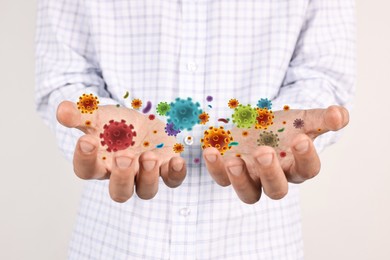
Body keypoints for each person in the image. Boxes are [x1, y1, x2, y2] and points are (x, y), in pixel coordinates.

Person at [35, 0, 355, 259]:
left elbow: (320, 76)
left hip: (258, 243)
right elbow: (65, 76)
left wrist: (279, 135)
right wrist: (98, 130)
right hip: (115, 241)